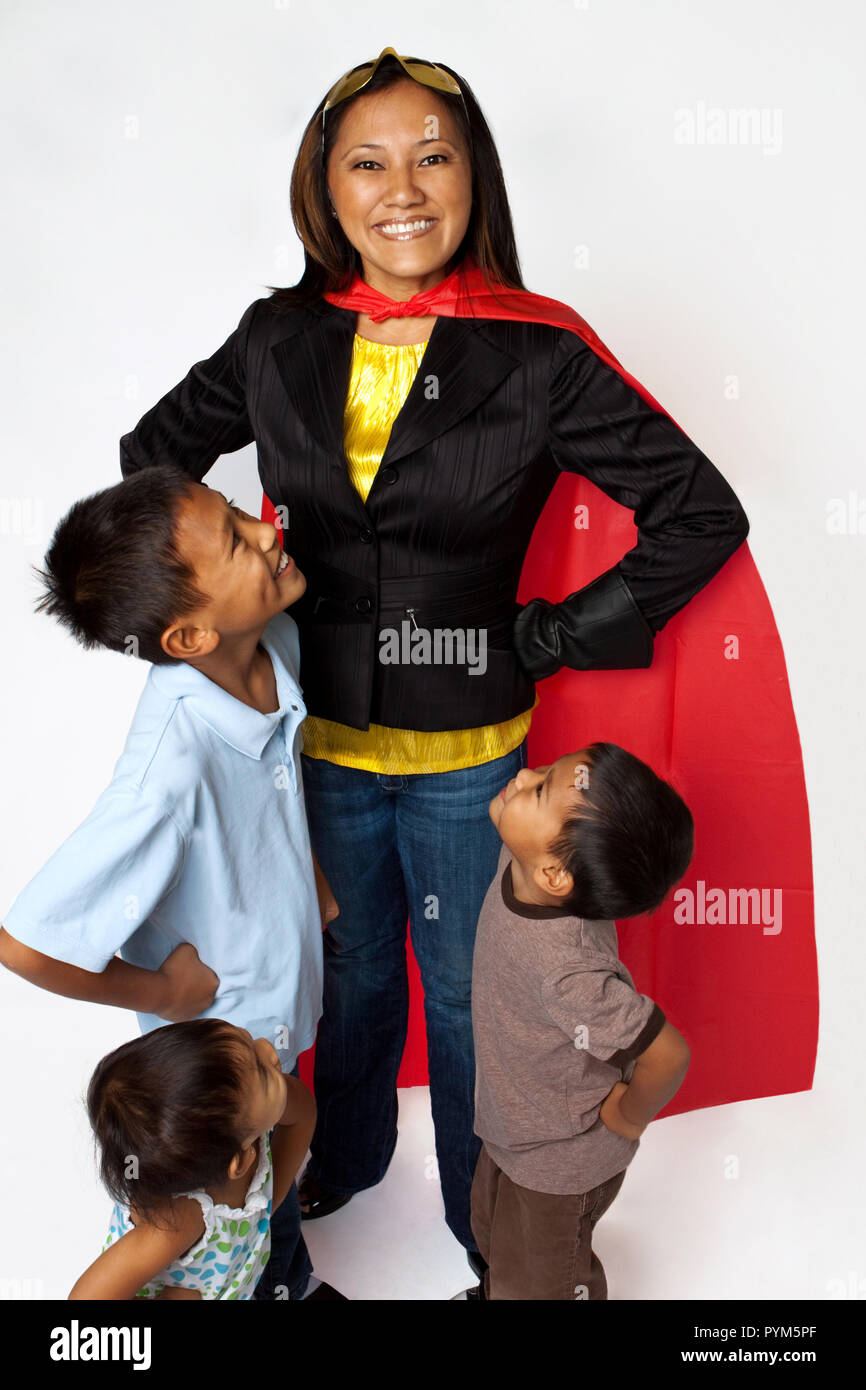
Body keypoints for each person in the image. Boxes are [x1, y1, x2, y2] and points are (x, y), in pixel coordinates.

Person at [115, 48, 752, 1281]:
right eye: (367, 161)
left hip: (472, 758)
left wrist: (547, 634)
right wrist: (233, 606)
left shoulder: (535, 353)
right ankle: (347, 1154)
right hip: (314, 744)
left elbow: (698, 511)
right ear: (325, 186)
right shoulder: (277, 337)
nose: (400, 188)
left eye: (431, 156)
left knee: (471, 994)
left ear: (474, 178)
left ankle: (482, 1208)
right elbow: (153, 458)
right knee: (349, 965)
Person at [0, 464, 343, 1300]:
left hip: (281, 1006)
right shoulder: (166, 775)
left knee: (266, 1193)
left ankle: (284, 1275)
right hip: (227, 1058)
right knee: (237, 1191)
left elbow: (273, 786)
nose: (267, 530)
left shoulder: (274, 644)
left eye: (237, 512)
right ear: (187, 637)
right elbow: (24, 946)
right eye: (237, 540)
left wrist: (311, 882)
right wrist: (161, 990)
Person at [458, 742, 693, 1300]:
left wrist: (629, 1117)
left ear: (555, 874)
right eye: (544, 773)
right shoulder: (524, 860)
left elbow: (668, 1054)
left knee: (542, 1282)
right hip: (512, 1125)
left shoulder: (569, 970)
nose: (523, 775)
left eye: (539, 789)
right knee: (491, 1231)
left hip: (560, 1158)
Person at [68, 1020, 315, 1300]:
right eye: (261, 1069)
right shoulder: (179, 1219)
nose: (268, 1049)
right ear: (239, 1162)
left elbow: (303, 1115)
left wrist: (265, 1209)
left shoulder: (238, 1122)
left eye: (247, 1038)